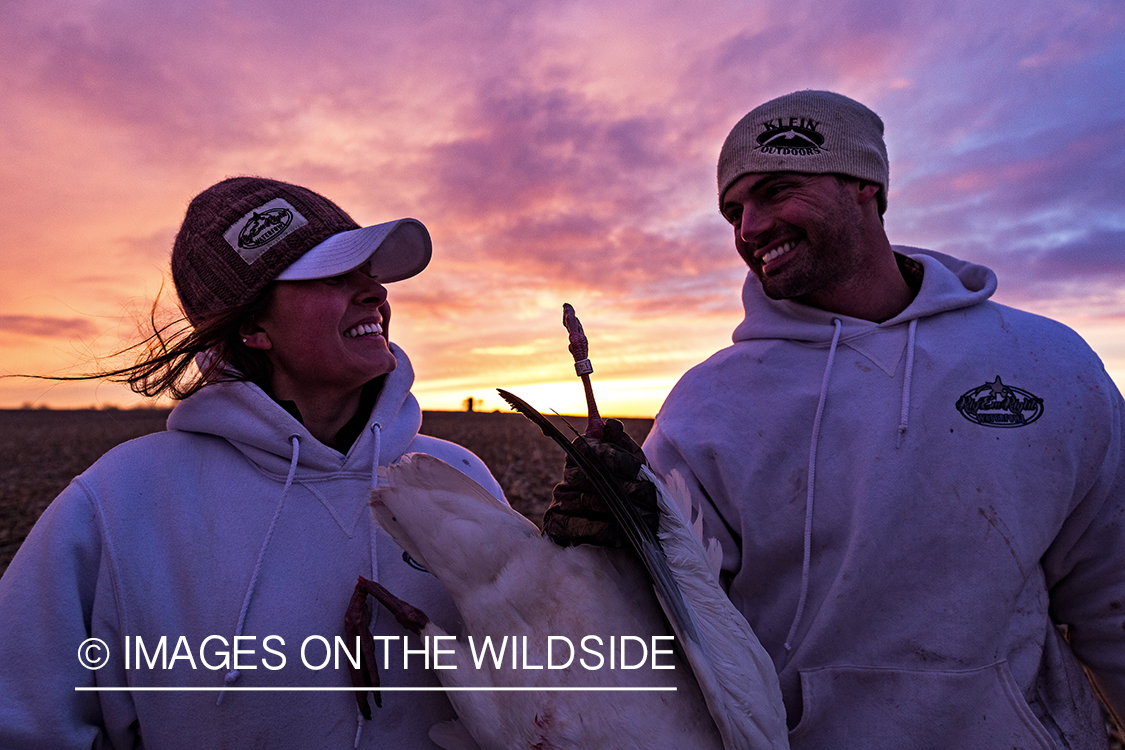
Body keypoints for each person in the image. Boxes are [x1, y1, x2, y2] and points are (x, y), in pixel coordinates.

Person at [547, 90, 1125, 748]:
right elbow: (675, 625)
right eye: (733, 210)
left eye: (775, 191)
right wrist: (611, 548)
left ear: (862, 186)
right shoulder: (710, 404)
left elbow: (1113, 592)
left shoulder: (1042, 363)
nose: (749, 228)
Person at [0, 176, 506, 748]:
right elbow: (25, 722)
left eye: (369, 273)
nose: (374, 293)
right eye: (334, 275)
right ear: (251, 327)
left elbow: (542, 680)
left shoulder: (457, 476)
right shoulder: (120, 503)